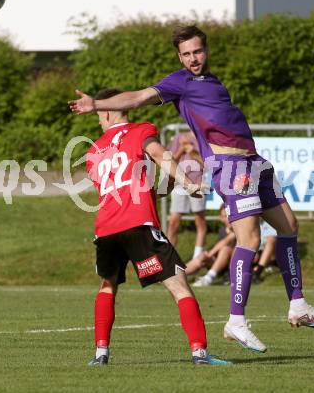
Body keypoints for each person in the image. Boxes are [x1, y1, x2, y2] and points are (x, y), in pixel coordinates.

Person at [69, 26, 314, 355]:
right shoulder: (178, 82)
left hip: (255, 163)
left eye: (197, 52)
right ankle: (236, 320)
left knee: (289, 226)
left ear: (205, 50)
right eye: (186, 54)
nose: (193, 59)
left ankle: (298, 304)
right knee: (249, 238)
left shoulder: (213, 82)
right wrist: (96, 104)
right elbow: (138, 98)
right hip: (230, 167)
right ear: (179, 57)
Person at [84, 88, 229, 366]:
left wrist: (169, 185)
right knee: (180, 286)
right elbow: (161, 156)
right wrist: (186, 181)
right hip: (138, 224)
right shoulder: (141, 130)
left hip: (105, 229)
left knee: (107, 286)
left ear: (105, 112)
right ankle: (200, 353)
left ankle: (100, 354)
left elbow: (125, 189)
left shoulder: (93, 150)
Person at [166, 131, 207, 259]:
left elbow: (208, 165)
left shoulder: (204, 139)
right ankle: (169, 258)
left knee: (199, 221)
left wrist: (192, 151)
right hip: (179, 184)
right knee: (173, 223)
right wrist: (181, 149)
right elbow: (168, 163)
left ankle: (197, 257)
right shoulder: (179, 137)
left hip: (198, 183)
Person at [186, 205, 236, 287]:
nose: (228, 218)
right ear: (221, 218)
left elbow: (224, 242)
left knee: (225, 249)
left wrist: (210, 254)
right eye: (225, 216)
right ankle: (176, 275)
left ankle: (208, 278)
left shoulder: (237, 230)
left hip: (233, 264)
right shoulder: (222, 230)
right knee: (202, 256)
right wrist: (206, 256)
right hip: (220, 262)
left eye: (229, 215)